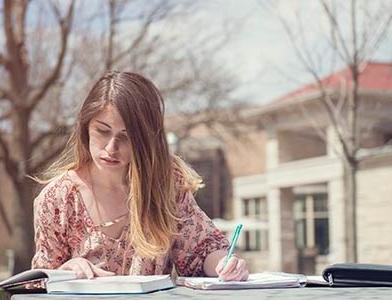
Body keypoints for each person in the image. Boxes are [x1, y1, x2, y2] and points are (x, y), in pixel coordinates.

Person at [31, 71, 249, 282]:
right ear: (85, 127)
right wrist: (64, 271)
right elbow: (38, 283)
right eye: (103, 131)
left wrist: (225, 265)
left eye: (126, 137)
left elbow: (202, 251)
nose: (111, 147)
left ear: (146, 140)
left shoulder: (165, 184)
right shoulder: (57, 199)